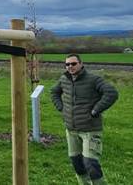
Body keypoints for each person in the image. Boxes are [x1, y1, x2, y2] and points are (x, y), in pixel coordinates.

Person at [50, 54, 119, 185]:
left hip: (90, 130)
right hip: (71, 130)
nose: (70, 66)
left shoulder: (93, 79)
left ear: (81, 64)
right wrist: (61, 108)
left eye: (73, 63)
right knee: (77, 164)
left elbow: (111, 93)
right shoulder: (64, 79)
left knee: (90, 163)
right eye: (67, 64)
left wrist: (95, 110)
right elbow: (54, 92)